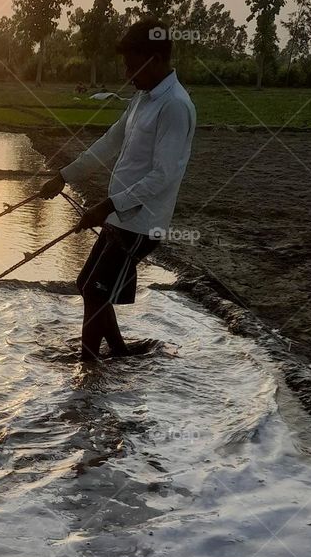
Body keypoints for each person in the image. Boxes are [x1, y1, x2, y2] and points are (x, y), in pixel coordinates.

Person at [40, 19, 196, 361]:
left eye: (132, 64)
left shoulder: (175, 106)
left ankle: (88, 371)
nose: (127, 74)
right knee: (89, 286)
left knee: (95, 291)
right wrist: (64, 176)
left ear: (155, 59)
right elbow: (110, 141)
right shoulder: (143, 98)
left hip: (142, 222)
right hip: (122, 216)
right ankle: (120, 355)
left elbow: (163, 175)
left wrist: (108, 205)